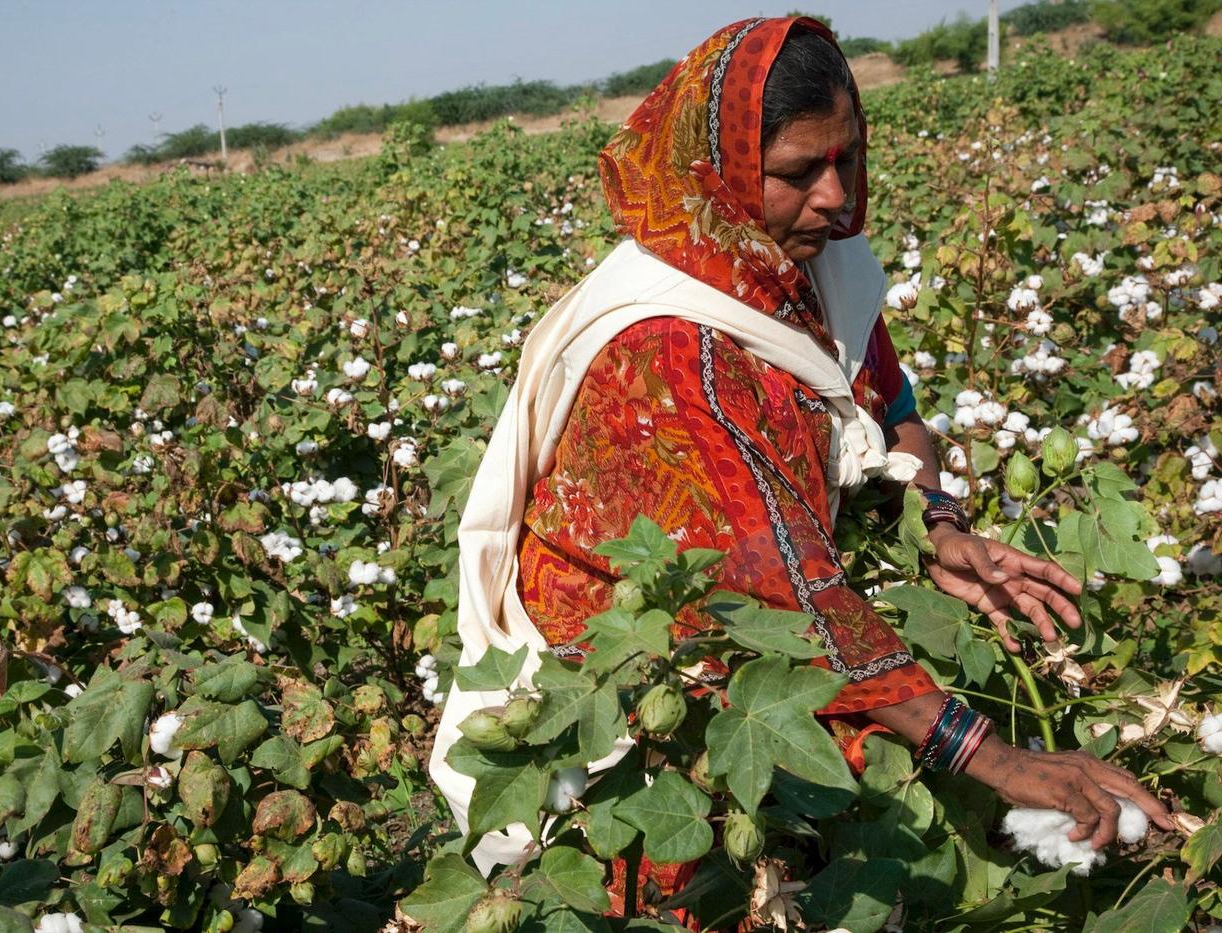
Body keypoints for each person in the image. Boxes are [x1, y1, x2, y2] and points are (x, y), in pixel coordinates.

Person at [430, 14, 1172, 915]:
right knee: (718, 870)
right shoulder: (669, 345)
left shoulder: (810, 260)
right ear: (726, 174)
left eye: (847, 159)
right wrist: (1003, 759)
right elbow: (783, 589)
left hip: (785, 614)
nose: (834, 195)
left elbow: (890, 408)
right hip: (644, 684)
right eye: (797, 173)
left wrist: (937, 522)